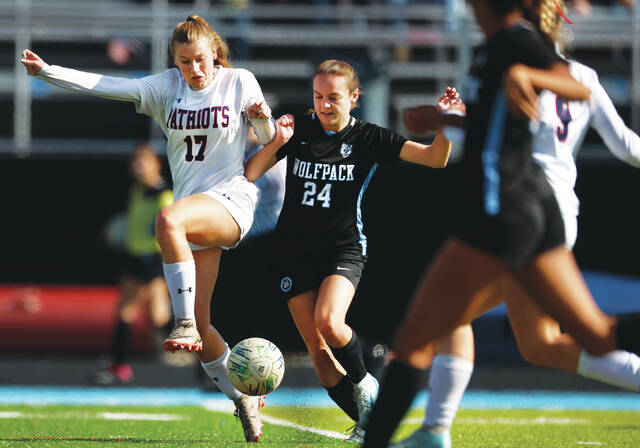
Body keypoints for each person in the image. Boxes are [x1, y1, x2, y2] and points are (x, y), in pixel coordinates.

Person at [360, 0, 640, 445]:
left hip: (503, 213)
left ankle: (431, 431)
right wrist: (440, 118)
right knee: (592, 335)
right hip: (539, 210)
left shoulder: (513, 40)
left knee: (416, 338)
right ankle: (434, 430)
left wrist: (525, 75)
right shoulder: (495, 47)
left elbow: (571, 86)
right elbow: (495, 121)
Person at [21, 14, 276, 442]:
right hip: (194, 212)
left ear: (215, 53)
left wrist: (262, 118)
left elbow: (267, 135)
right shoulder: (166, 88)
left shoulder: (238, 80)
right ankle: (243, 398)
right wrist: (48, 71)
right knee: (204, 322)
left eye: (199, 60)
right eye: (183, 62)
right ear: (174, 61)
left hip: (231, 202)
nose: (194, 71)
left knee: (167, 220)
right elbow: (105, 85)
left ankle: (182, 325)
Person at [244, 59, 459, 442]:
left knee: (329, 321)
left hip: (342, 248)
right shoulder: (301, 128)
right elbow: (252, 172)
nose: (324, 104)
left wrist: (447, 123)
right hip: (292, 251)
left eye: (334, 97)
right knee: (317, 347)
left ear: (354, 98)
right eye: (318, 96)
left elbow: (435, 158)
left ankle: (365, 385)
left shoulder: (369, 138)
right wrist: (276, 140)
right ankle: (367, 420)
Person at [90, 143, 174, 386]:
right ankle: (119, 362)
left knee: (143, 314)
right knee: (144, 313)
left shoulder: (164, 197)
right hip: (135, 257)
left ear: (156, 165)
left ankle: (120, 365)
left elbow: (168, 231)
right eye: (135, 164)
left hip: (152, 260)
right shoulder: (137, 191)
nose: (138, 168)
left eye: (143, 163)